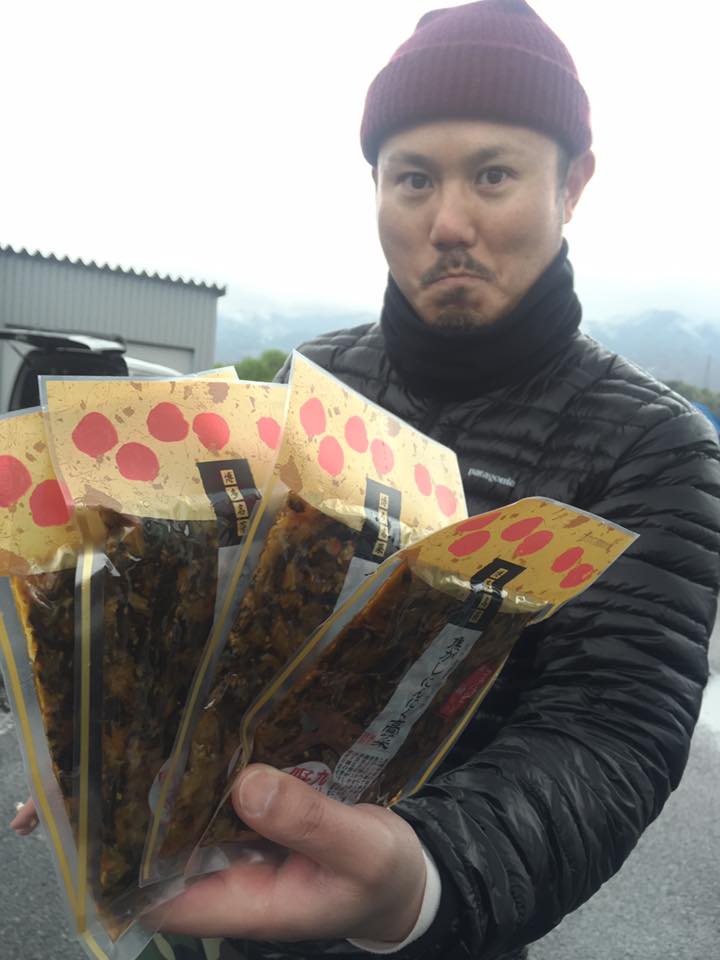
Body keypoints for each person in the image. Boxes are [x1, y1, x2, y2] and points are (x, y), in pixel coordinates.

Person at [12, 2, 720, 959]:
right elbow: (212, 624)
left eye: (494, 175)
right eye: (413, 178)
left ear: (573, 183)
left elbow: (612, 728)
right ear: (377, 186)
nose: (449, 223)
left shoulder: (654, 445)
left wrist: (420, 876)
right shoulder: (312, 382)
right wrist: (105, 737)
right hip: (212, 893)